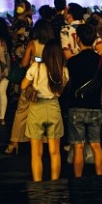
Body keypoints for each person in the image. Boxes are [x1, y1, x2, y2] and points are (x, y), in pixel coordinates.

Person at [22, 39, 69, 181]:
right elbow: (62, 89)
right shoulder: (64, 70)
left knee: (36, 153)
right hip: (54, 108)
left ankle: (37, 184)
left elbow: (24, 85)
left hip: (37, 108)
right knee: (55, 152)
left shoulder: (36, 67)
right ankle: (55, 184)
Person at [64, 23, 102, 177]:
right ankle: (100, 175)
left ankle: (78, 179)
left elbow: (69, 84)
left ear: (78, 40)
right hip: (94, 106)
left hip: (76, 107)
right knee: (96, 144)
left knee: (78, 146)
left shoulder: (73, 62)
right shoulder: (100, 62)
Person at [5, 17, 51, 155]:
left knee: (21, 112)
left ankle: (14, 142)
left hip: (31, 83)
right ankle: (45, 141)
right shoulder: (53, 45)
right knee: (44, 114)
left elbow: (24, 63)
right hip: (46, 85)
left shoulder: (33, 44)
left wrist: (33, 59)